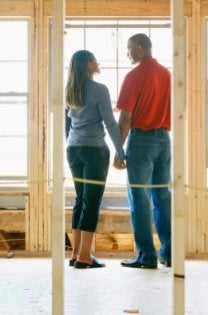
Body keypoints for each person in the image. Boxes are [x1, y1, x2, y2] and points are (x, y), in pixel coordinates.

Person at [114, 33, 172, 269]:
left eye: (129, 49)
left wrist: (119, 150)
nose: (127, 54)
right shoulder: (166, 74)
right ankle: (169, 254)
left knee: (139, 199)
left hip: (141, 141)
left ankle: (146, 256)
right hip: (164, 140)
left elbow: (126, 117)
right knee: (163, 198)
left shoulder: (134, 76)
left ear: (139, 48)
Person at [65, 50, 125, 269]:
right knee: (92, 203)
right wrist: (120, 151)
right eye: (94, 59)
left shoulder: (70, 90)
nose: (97, 62)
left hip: (73, 150)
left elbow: (66, 125)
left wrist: (71, 143)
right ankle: (85, 257)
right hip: (94, 151)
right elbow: (110, 123)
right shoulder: (99, 90)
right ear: (89, 64)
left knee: (80, 199)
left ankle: (75, 254)